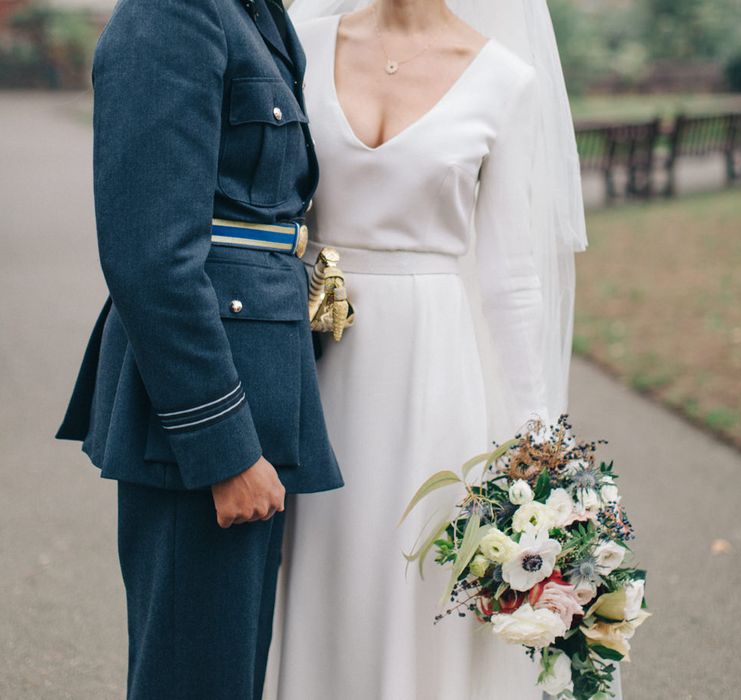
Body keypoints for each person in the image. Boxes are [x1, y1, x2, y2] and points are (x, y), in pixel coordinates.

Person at [266, 1, 621, 699]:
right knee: (320, 566)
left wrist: (540, 445)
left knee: (414, 574)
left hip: (431, 370)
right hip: (311, 351)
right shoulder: (297, 45)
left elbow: (513, 279)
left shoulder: (505, 80)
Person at [55, 0, 342, 697]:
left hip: (258, 379)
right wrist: (225, 447)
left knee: (225, 670)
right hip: (206, 407)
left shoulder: (254, 14)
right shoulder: (170, 13)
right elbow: (149, 256)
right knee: (194, 675)